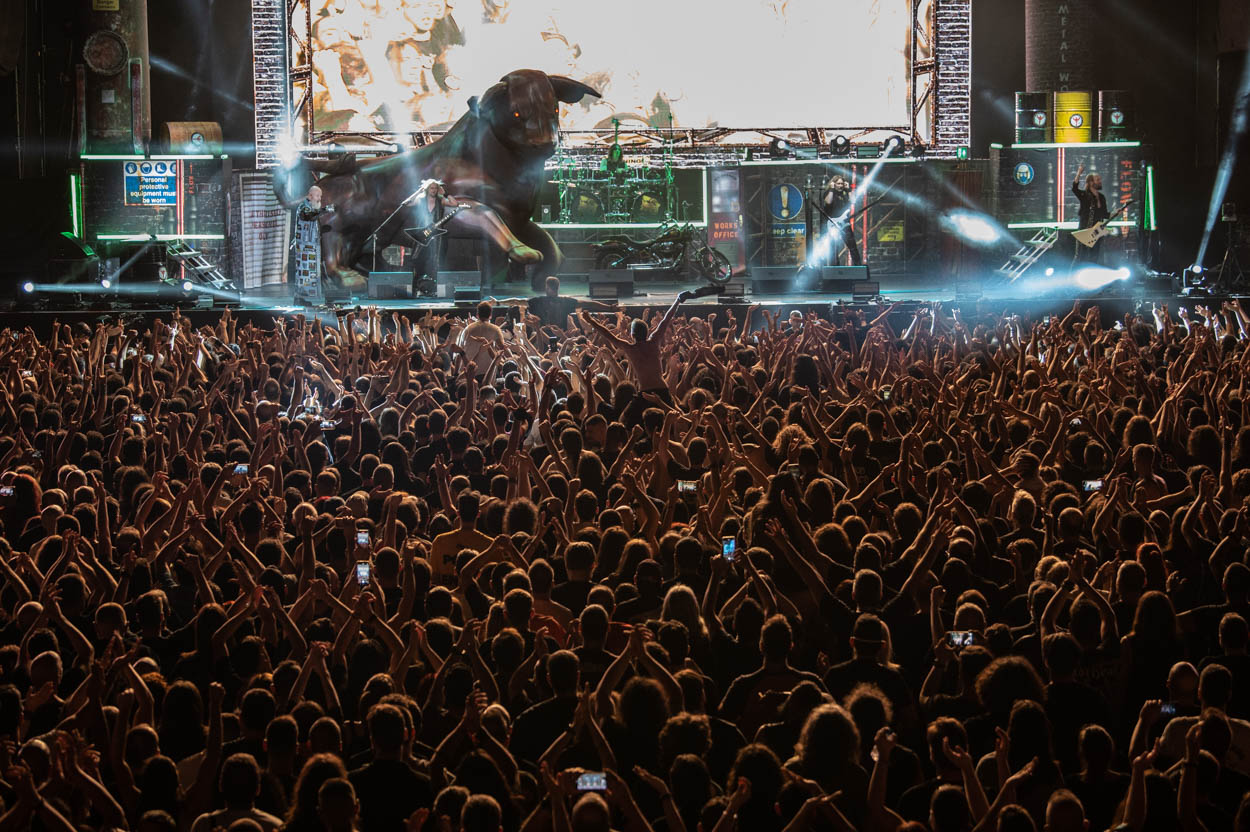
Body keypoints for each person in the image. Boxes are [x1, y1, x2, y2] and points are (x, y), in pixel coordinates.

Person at [820, 174, 863, 266]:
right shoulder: (828, 192)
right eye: (838, 183)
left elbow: (854, 201)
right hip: (832, 223)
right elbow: (828, 202)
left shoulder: (845, 193)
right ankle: (835, 268)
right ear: (834, 183)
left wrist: (848, 189)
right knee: (833, 248)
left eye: (841, 184)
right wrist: (831, 189)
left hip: (844, 223)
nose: (840, 185)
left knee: (852, 246)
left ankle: (858, 267)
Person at [1071, 163, 1109, 264]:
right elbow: (1074, 188)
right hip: (1085, 228)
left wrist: (1116, 212)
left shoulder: (1101, 197)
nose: (1100, 182)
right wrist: (1079, 172)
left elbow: (1105, 214)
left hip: (1097, 230)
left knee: (1094, 256)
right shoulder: (1084, 195)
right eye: (1098, 180)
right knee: (1080, 255)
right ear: (1091, 182)